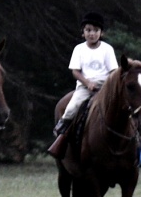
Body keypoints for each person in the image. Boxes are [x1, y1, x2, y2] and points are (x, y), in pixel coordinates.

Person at [48, 12, 118, 158]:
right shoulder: (79, 49)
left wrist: (107, 86)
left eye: (95, 30)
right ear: (83, 32)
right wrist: (88, 83)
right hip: (85, 86)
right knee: (72, 107)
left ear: (101, 32)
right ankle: (63, 131)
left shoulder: (107, 49)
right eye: (88, 30)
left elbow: (113, 71)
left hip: (105, 85)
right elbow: (75, 71)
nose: (92, 34)